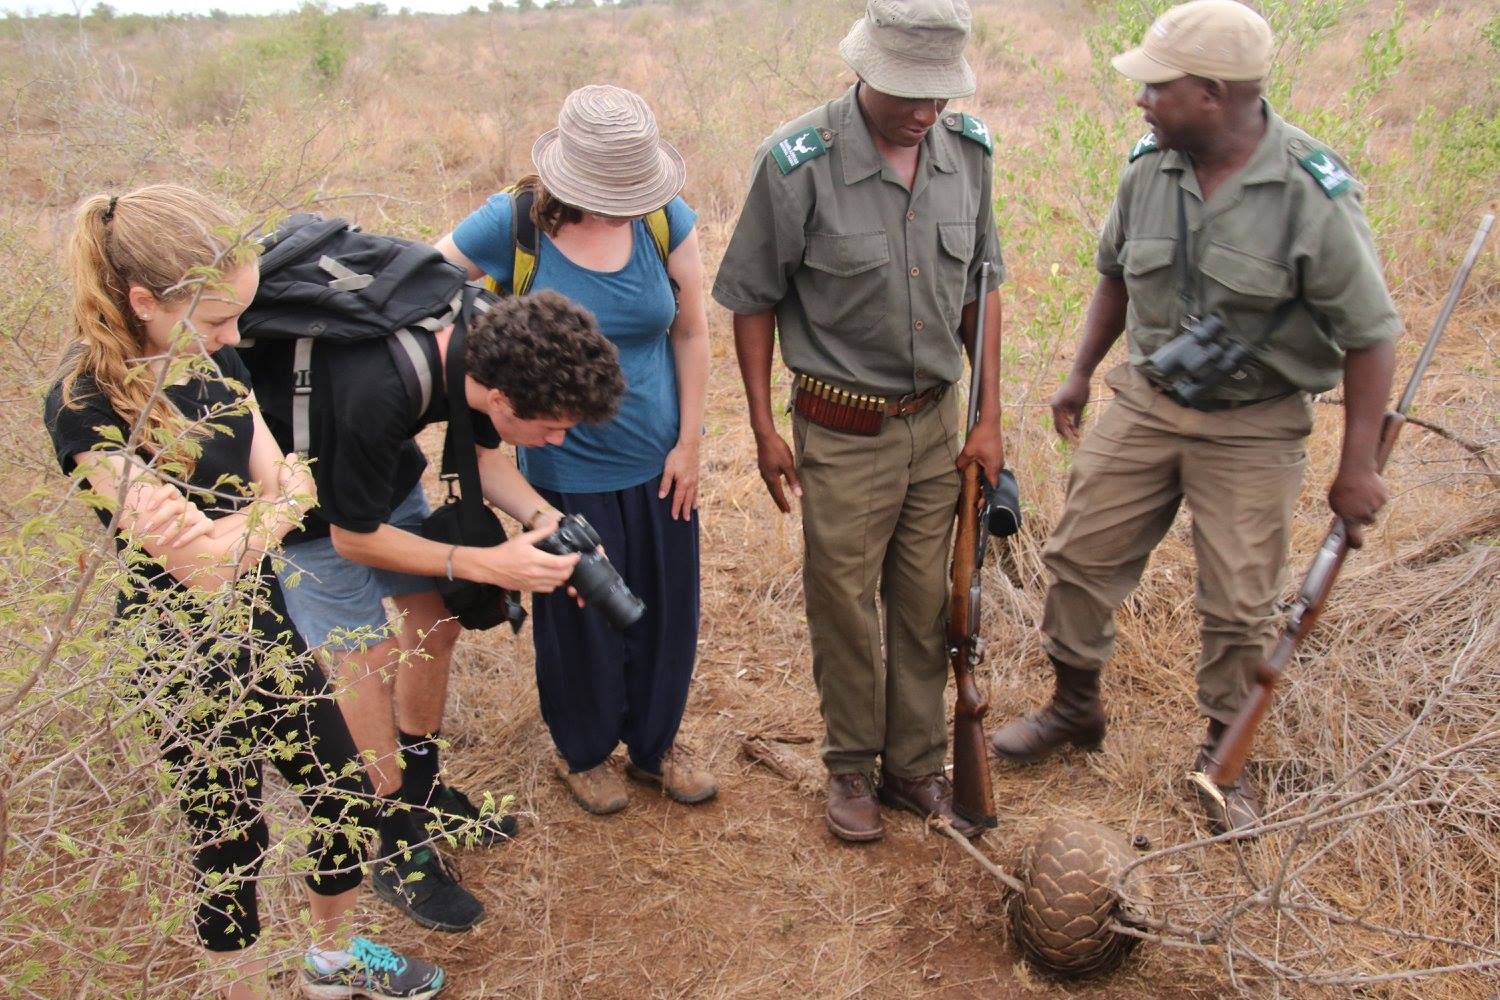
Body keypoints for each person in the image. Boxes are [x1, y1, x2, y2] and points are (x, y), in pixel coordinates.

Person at [988, 0, 1400, 834]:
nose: (1140, 100)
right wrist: (1079, 374)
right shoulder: (1150, 166)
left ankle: (1224, 754)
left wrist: (1358, 467)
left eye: (1157, 87)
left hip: (1255, 422)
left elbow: (1371, 334)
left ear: (1213, 93)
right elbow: (1114, 274)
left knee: (1240, 603)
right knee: (1076, 559)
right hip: (1147, 400)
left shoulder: (1309, 190)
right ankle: (1075, 708)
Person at [43, 184, 445, 1000]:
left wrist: (244, 523)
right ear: (143, 300)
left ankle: (330, 961)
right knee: (228, 840)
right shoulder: (83, 405)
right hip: (179, 652)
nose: (236, 339)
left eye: (236, 318)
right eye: (217, 320)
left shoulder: (212, 359)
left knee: (342, 792)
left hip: (264, 618)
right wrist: (265, 513)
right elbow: (203, 561)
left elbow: (291, 486)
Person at [241, 258, 624, 929]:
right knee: (366, 664)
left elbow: (479, 457)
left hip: (380, 475)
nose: (559, 441)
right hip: (306, 513)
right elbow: (352, 538)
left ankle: (419, 792)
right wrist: (487, 564)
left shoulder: (484, 331)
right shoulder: (377, 390)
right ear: (503, 399)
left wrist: (548, 523)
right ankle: (387, 834)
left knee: (435, 624)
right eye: (554, 428)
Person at [713, 0, 1005, 843]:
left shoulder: (968, 155)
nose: (925, 111)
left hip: (937, 427)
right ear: (865, 69)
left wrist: (988, 415)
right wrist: (765, 430)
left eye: (939, 95)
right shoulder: (797, 161)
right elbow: (753, 300)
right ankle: (850, 765)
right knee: (842, 601)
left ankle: (914, 764)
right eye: (910, 92)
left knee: (924, 603)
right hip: (841, 431)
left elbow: (982, 287)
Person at [436, 84, 716, 816]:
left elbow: (690, 329)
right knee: (582, 616)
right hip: (561, 468)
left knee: (667, 610)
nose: (623, 202)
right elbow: (421, 293)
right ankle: (584, 752)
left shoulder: (663, 219)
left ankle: (657, 746)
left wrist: (690, 441)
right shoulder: (512, 223)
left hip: (660, 459)